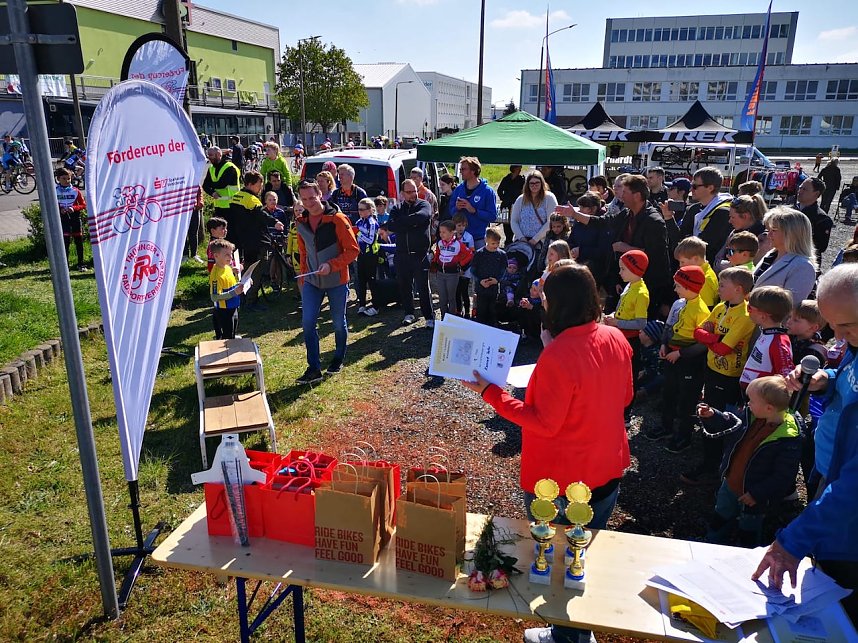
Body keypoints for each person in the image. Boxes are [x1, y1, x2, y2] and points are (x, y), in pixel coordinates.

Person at [459, 263, 632, 643]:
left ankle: (568, 637)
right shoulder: (615, 338)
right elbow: (626, 396)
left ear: (556, 305)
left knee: (555, 563)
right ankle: (575, 632)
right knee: (578, 558)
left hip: (562, 479)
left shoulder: (558, 355)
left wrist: (491, 393)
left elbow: (543, 422)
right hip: (606, 467)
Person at [753, 264, 858, 624]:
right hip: (828, 475)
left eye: (847, 326)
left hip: (849, 513)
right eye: (835, 326)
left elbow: (853, 489)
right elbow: (846, 375)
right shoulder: (854, 342)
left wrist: (793, 541)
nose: (839, 337)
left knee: (840, 603)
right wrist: (823, 380)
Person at [701, 376, 802, 547]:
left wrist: (757, 493)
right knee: (721, 515)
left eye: (752, 401)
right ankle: (713, 542)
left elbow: (783, 476)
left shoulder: (787, 439)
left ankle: (746, 552)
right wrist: (713, 416)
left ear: (769, 408)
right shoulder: (753, 416)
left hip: (754, 496)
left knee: (749, 526)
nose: (747, 404)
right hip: (731, 483)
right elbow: (732, 422)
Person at [559, 174, 673, 317]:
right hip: (626, 281)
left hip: (649, 286)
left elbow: (656, 255)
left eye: (625, 192)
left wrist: (625, 248)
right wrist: (575, 215)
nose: (621, 196)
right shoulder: (626, 214)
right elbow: (602, 222)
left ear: (637, 196)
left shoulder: (654, 221)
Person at [683, 267, 756, 485]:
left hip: (728, 375)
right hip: (712, 369)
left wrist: (712, 338)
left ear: (738, 289)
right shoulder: (723, 307)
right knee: (709, 412)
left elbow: (724, 349)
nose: (718, 288)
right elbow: (698, 330)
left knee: (717, 417)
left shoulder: (744, 315)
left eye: (723, 285)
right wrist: (714, 338)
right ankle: (711, 459)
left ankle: (713, 466)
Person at [294, 179, 360, 383]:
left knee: (338, 324)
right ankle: (313, 368)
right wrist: (304, 276)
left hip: (337, 281)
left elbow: (353, 251)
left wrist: (331, 265)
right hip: (312, 282)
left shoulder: (337, 219)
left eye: (312, 198)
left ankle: (338, 359)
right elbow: (303, 252)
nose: (308, 203)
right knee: (307, 324)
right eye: (304, 199)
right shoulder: (301, 222)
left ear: (320, 195)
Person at [645, 266, 710, 451]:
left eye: (678, 286)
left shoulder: (702, 311)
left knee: (687, 400)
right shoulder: (678, 303)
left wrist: (680, 353)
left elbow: (702, 344)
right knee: (669, 392)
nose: (675, 289)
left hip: (688, 361)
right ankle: (666, 426)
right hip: (671, 355)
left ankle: (684, 436)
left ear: (690, 287)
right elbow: (668, 326)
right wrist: (664, 344)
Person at [229, 171, 284, 311]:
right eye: (259, 184)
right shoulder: (252, 200)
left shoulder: (235, 197)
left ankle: (243, 297)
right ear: (250, 184)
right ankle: (251, 301)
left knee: (246, 269)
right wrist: (275, 222)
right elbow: (262, 215)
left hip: (243, 241)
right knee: (256, 272)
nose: (260, 188)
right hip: (257, 242)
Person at [387, 179, 434, 327]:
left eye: (414, 190)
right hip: (402, 254)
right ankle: (409, 313)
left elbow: (422, 216)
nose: (413, 194)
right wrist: (411, 224)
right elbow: (391, 225)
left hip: (420, 254)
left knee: (423, 287)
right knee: (404, 285)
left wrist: (402, 223)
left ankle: (429, 317)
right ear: (402, 194)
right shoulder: (397, 208)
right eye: (409, 192)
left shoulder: (424, 204)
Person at [665, 167, 733, 264]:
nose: (691, 189)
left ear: (710, 188)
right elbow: (679, 239)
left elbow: (705, 248)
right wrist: (668, 218)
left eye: (695, 186)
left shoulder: (723, 212)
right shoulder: (693, 209)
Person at [753, 207, 817, 304]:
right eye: (768, 230)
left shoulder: (803, 267)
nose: (768, 235)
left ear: (791, 234)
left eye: (774, 230)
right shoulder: (772, 254)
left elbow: (789, 308)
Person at [739, 286, 794, 391]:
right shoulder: (767, 333)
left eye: (749, 308)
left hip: (761, 398)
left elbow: (786, 378)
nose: (747, 311)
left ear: (763, 316)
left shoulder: (778, 342)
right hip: (751, 394)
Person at [448, 156, 498, 249]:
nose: (460, 172)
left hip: (478, 239)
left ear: (473, 171)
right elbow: (451, 211)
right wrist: (456, 208)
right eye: (460, 169)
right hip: (459, 239)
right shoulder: (459, 189)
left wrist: (474, 211)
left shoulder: (487, 191)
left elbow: (492, 216)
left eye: (463, 169)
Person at [713, 194, 770, 272]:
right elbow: (718, 260)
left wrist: (730, 266)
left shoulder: (764, 239)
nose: (730, 221)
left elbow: (755, 268)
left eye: (733, 217)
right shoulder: (735, 232)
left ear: (745, 216)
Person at [431, 220, 473, 321]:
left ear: (452, 232)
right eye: (440, 232)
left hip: (452, 275)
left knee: (451, 298)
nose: (441, 234)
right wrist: (434, 263)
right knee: (442, 299)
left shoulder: (458, 244)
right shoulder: (440, 243)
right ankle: (443, 319)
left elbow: (470, 254)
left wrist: (461, 265)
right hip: (440, 274)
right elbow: (438, 254)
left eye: (444, 232)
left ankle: (451, 319)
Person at [568, 192, 612, 289]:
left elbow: (602, 251)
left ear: (593, 209)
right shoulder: (578, 223)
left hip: (595, 270)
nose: (579, 210)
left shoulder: (602, 224)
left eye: (583, 208)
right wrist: (572, 249)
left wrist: (581, 251)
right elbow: (571, 240)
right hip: (577, 265)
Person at [510, 170, 559, 252]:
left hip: (542, 243)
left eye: (537, 183)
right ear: (527, 185)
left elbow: (551, 221)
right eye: (531, 183)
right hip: (522, 243)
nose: (534, 185)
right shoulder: (521, 199)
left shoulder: (549, 198)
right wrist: (521, 238)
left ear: (542, 183)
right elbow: (514, 221)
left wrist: (535, 239)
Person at [209, 238, 244, 340]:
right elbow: (214, 297)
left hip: (233, 306)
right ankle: (228, 341)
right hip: (224, 311)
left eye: (231, 254)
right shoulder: (216, 275)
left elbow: (230, 284)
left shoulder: (227, 267)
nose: (231, 257)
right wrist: (234, 292)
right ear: (216, 256)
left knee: (233, 325)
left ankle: (231, 337)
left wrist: (243, 284)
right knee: (226, 335)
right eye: (227, 255)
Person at [470, 228, 507, 327]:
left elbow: (503, 270)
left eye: (497, 244)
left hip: (494, 288)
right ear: (486, 240)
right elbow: (473, 270)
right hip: (481, 288)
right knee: (481, 310)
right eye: (493, 243)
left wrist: (497, 280)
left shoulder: (502, 255)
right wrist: (480, 281)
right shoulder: (479, 254)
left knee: (493, 309)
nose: (495, 246)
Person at [795, 177, 833, 270]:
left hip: (805, 263)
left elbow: (821, 246)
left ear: (816, 194)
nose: (800, 191)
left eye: (805, 189)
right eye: (800, 188)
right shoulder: (788, 210)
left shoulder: (822, 219)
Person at [55, 168, 87, 271]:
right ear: (58, 179)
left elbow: (83, 204)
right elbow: (51, 204)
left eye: (68, 178)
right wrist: (60, 209)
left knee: (79, 241)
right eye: (63, 179)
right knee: (65, 242)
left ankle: (81, 264)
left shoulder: (75, 191)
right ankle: (65, 265)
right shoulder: (54, 190)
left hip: (75, 217)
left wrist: (73, 208)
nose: (67, 181)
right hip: (63, 218)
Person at [674, 236, 719, 308]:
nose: (680, 265)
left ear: (696, 259)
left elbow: (707, 308)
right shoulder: (706, 270)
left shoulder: (705, 280)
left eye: (683, 262)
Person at [355, 197, 380, 317]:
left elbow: (370, 240)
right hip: (361, 254)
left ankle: (376, 306)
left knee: (372, 280)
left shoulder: (372, 223)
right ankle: (362, 305)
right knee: (361, 280)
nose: (360, 212)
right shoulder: (359, 222)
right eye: (358, 209)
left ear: (370, 210)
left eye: (362, 209)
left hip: (371, 255)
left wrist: (358, 233)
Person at [202, 146, 240, 217]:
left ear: (219, 154)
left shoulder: (230, 167)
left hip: (232, 205)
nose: (209, 157)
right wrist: (212, 193)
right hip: (218, 205)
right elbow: (205, 185)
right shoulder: (211, 168)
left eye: (211, 155)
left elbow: (222, 184)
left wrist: (210, 184)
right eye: (208, 155)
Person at [453, 213, 475, 318]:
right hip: (455, 268)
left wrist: (464, 268)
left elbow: (471, 255)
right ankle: (458, 310)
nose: (461, 228)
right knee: (456, 291)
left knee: (464, 291)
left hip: (466, 269)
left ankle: (467, 311)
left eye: (463, 226)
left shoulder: (469, 237)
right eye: (458, 225)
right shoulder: (451, 237)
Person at [497, 165, 525, 242]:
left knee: (515, 222)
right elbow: (499, 190)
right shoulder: (506, 179)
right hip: (506, 205)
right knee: (506, 223)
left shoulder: (521, 180)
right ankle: (508, 239)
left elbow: (524, 191)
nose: (520, 170)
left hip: (517, 205)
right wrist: (504, 198)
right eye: (518, 168)